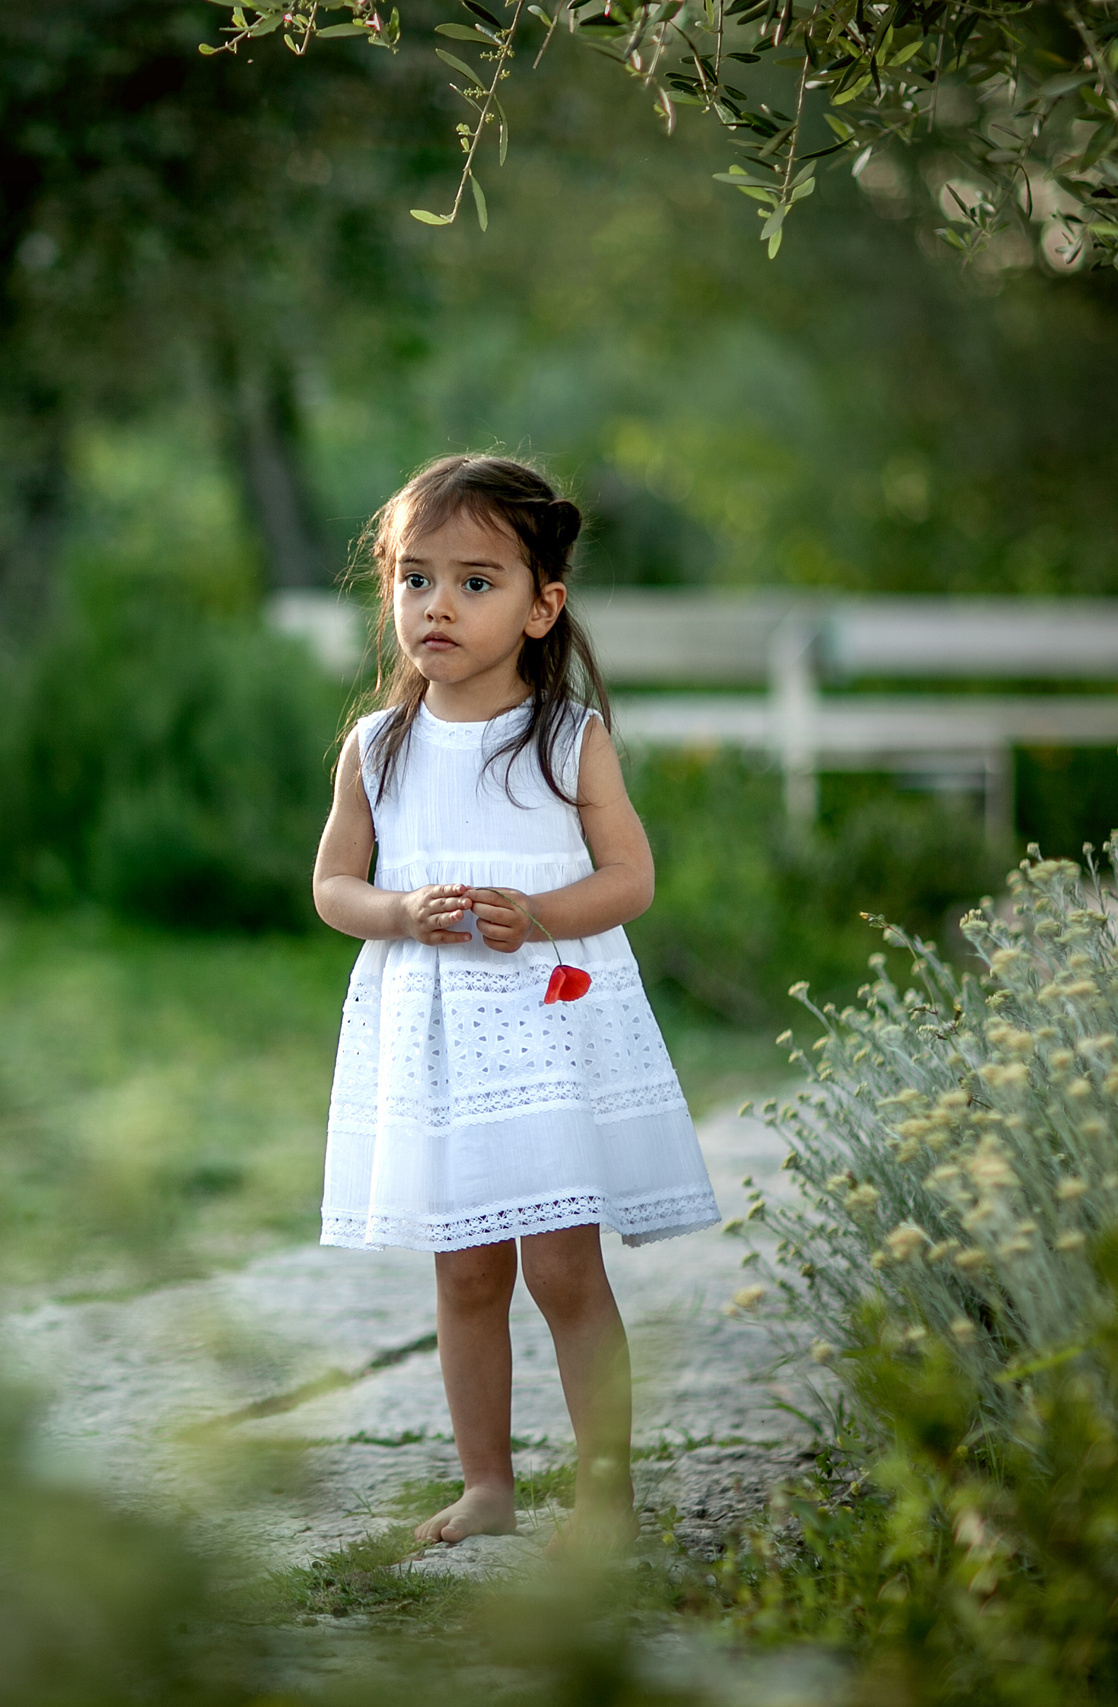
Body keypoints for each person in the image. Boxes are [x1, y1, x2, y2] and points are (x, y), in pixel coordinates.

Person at [310, 453, 718, 1554]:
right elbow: (333, 888)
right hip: (440, 1038)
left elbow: (628, 880)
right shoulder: (377, 748)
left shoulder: (566, 738)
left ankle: (603, 1493)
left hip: (547, 1025)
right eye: (415, 580)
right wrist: (399, 914)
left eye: (475, 582)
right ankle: (486, 1483)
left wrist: (536, 913)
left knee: (562, 1267)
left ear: (544, 607)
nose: (437, 605)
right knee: (466, 1267)